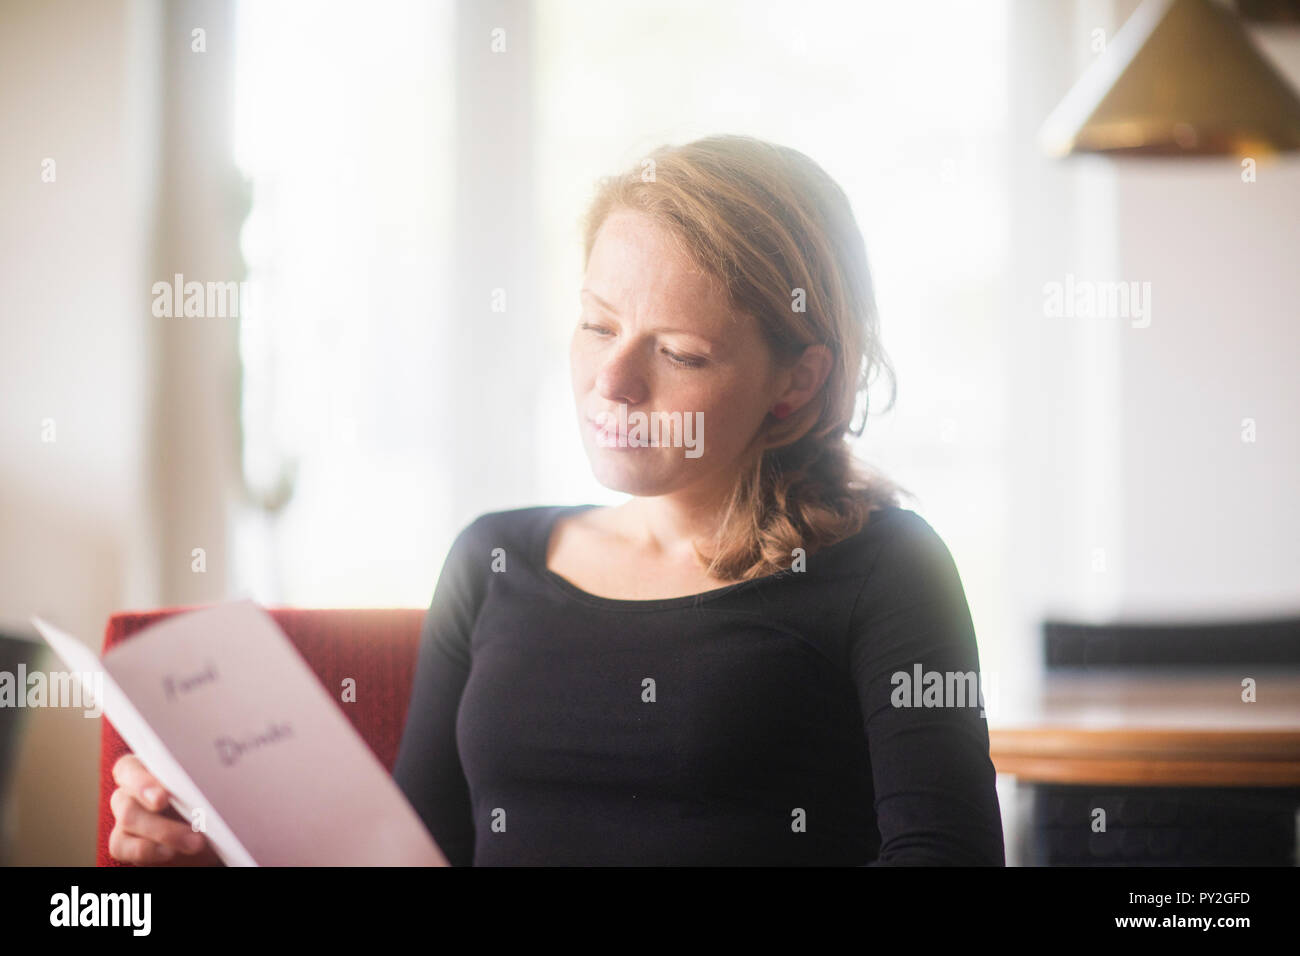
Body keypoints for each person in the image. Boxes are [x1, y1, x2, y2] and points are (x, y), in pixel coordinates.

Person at [109, 134, 1004, 866]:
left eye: (680, 353)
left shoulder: (885, 568)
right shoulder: (494, 561)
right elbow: (422, 856)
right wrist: (216, 856)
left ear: (796, 384)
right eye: (596, 325)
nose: (611, 382)